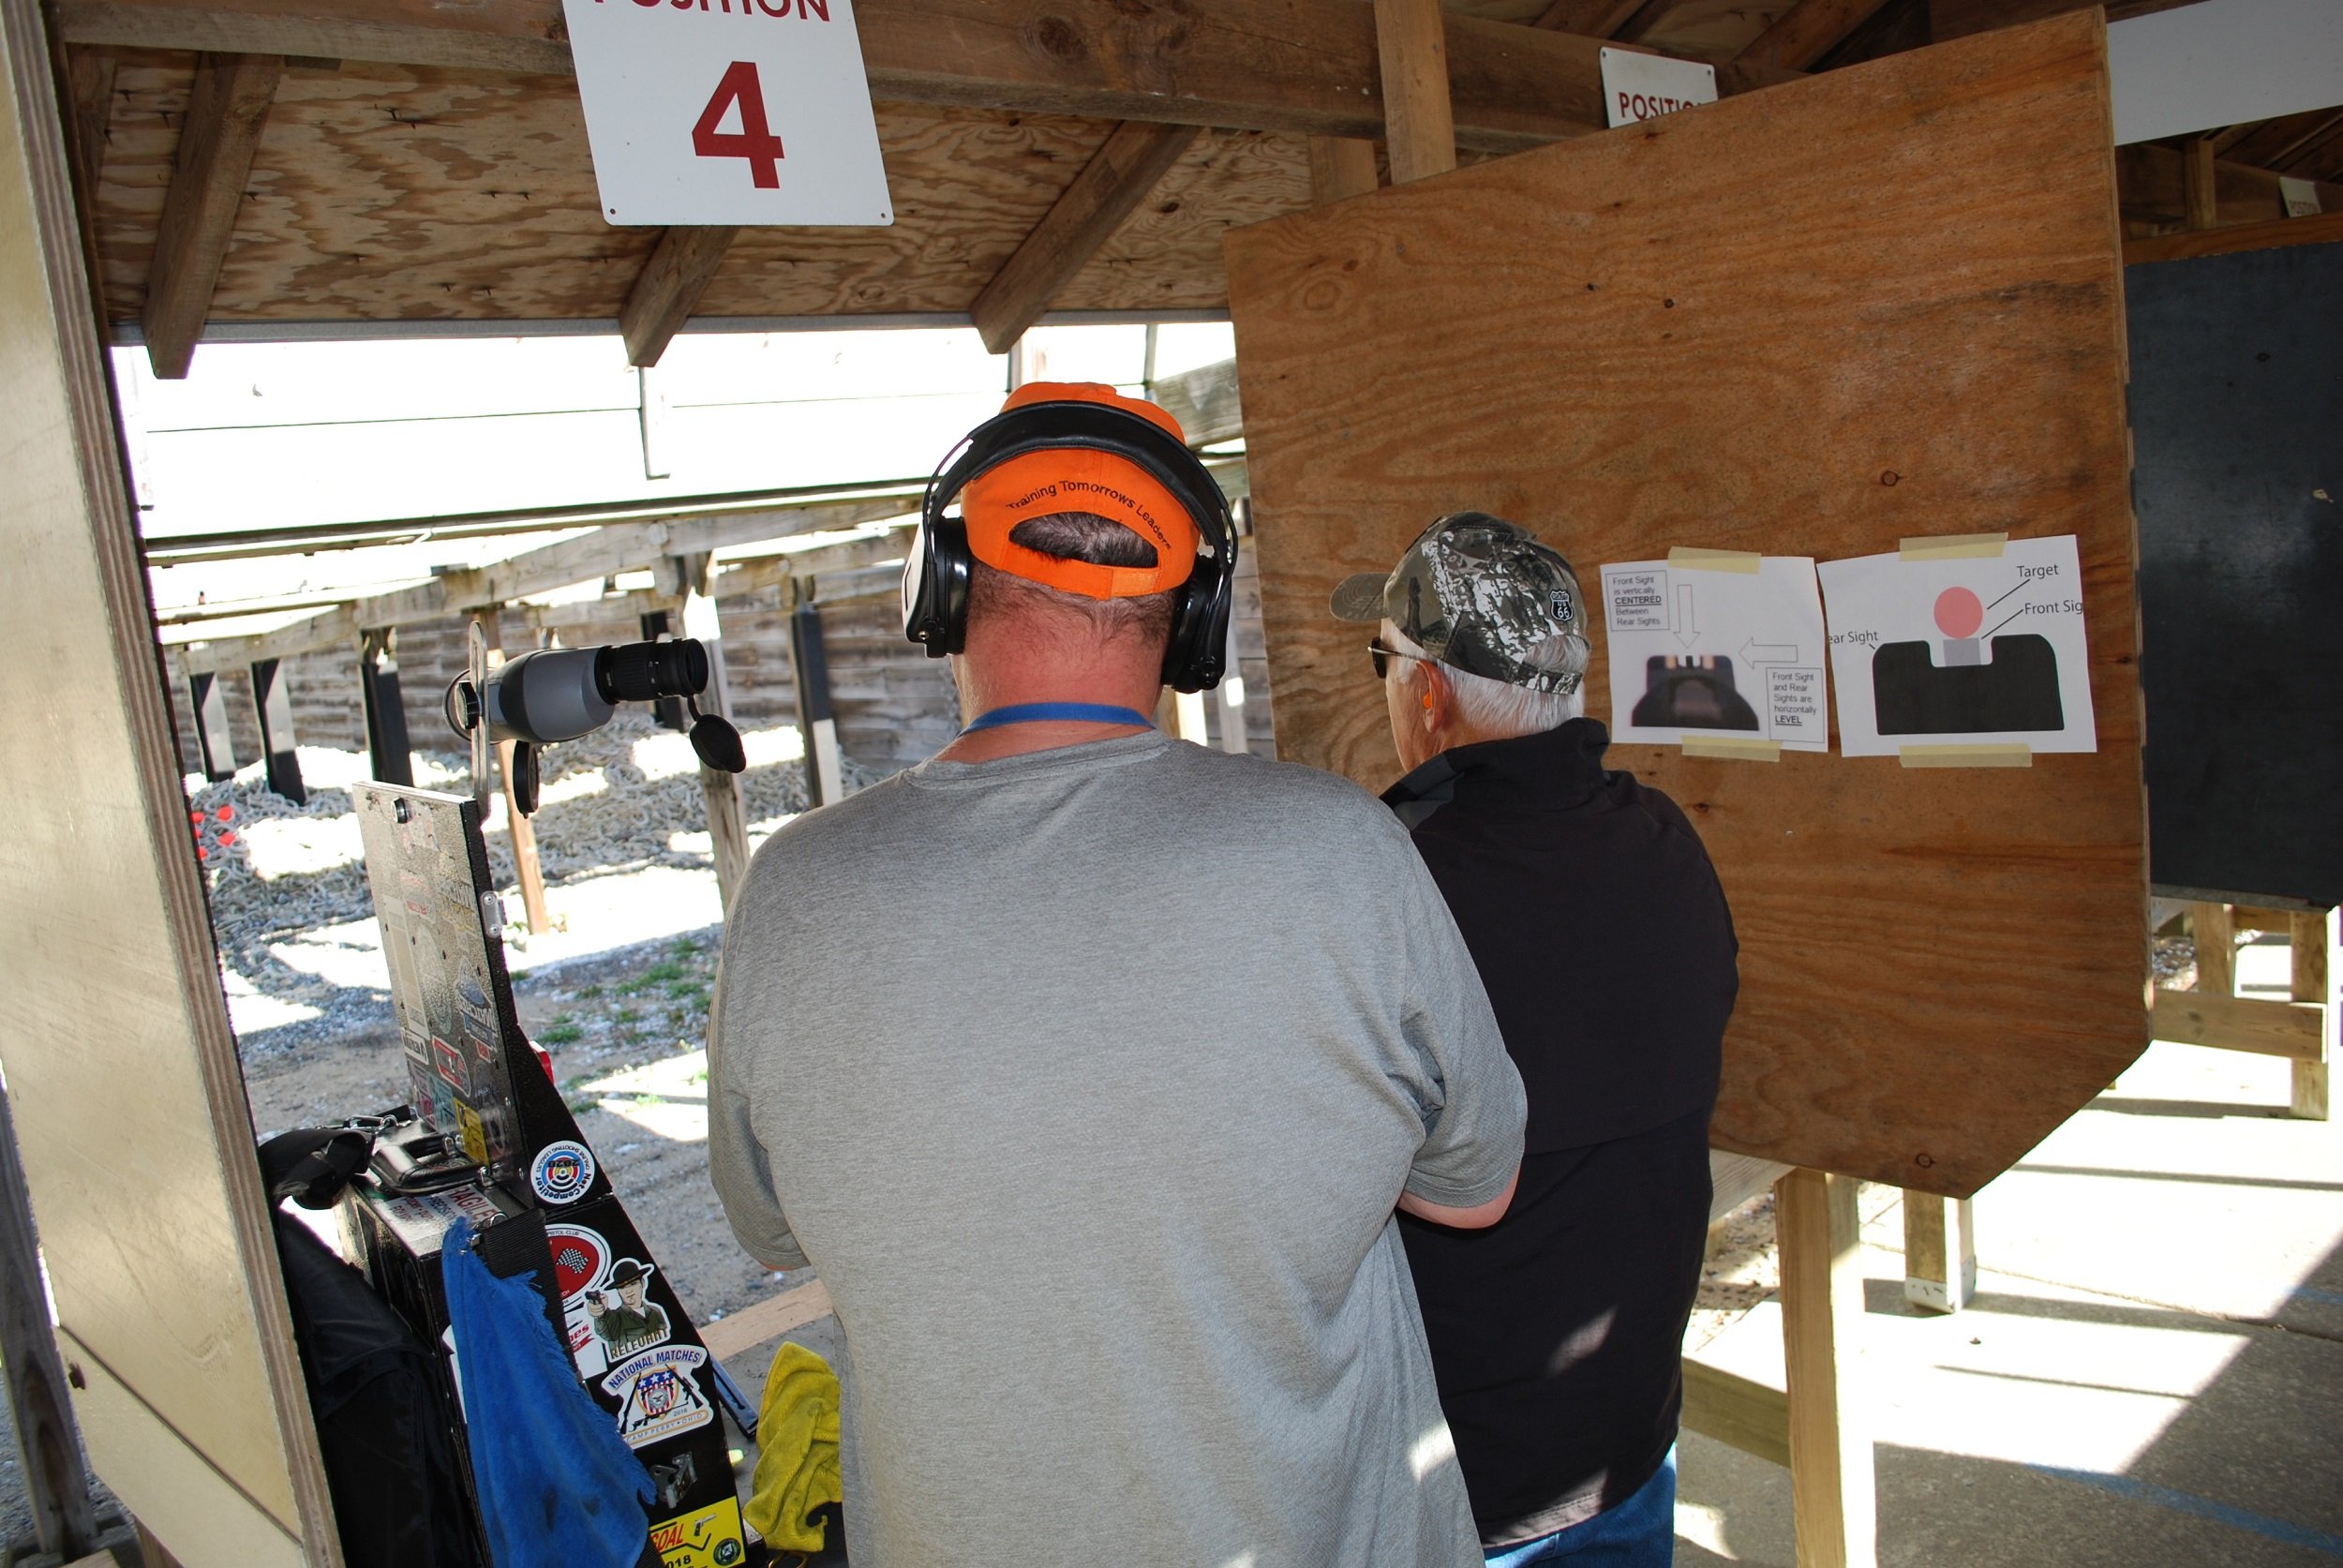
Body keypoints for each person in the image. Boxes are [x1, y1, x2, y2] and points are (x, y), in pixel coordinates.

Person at [709, 384, 1528, 1568]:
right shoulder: (1343, 848)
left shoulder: (791, 893)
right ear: (1194, 616)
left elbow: (772, 1226)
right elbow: (1474, 1185)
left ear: (939, 589)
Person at [1330, 513, 1739, 1567]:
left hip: (1463, 1473)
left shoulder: (1394, 883)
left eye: (1382, 659)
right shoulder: (1662, 837)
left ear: (1424, 691)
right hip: (1626, 1433)